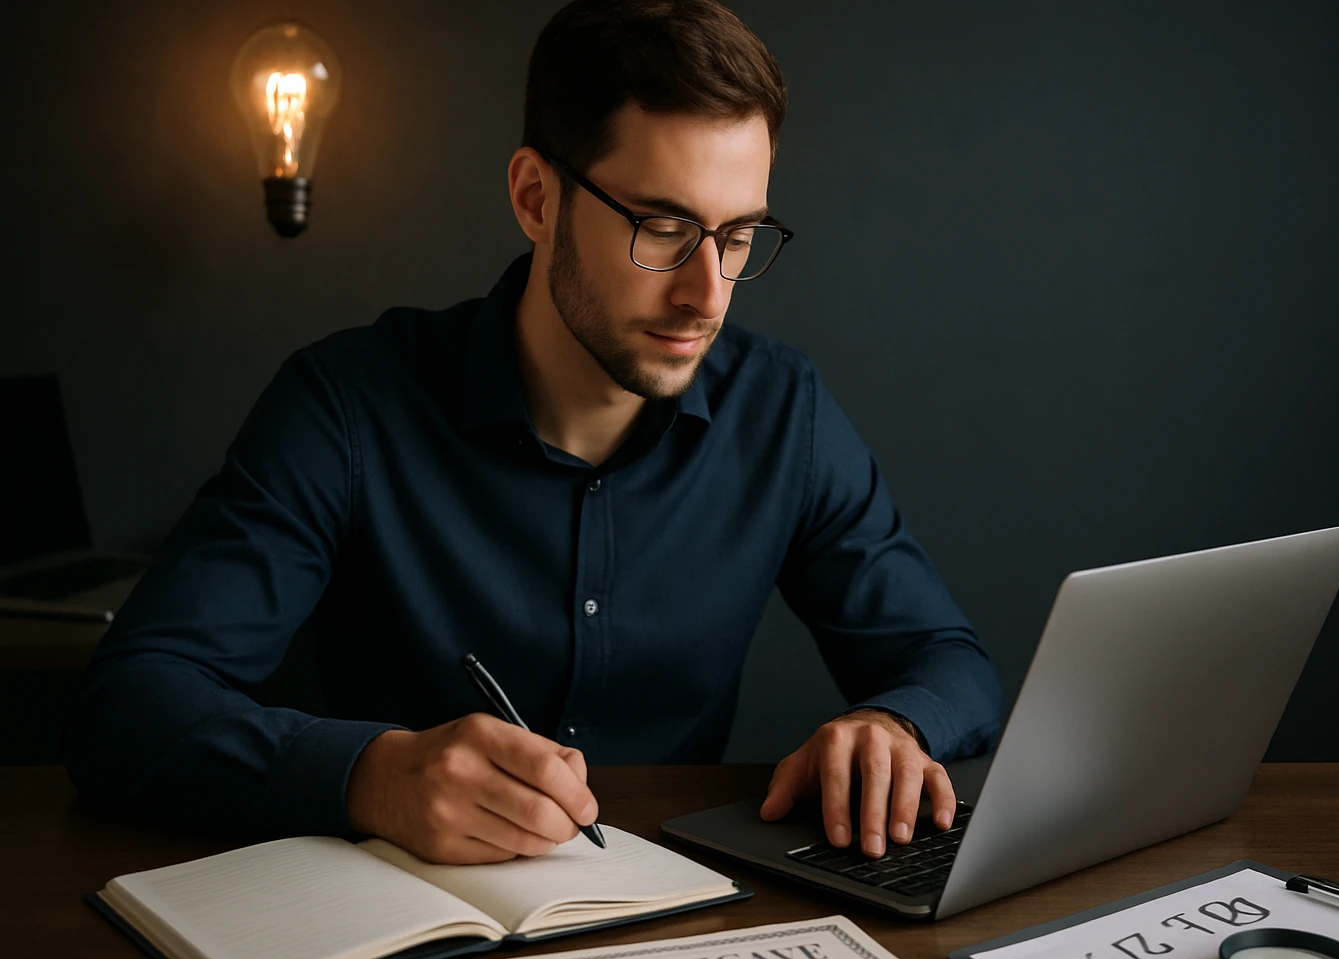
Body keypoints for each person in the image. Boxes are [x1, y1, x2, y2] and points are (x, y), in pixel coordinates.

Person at [63, 0, 1001, 867]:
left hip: (674, 932)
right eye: (664, 229)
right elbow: (131, 702)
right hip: (400, 929)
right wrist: (369, 773)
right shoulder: (345, 403)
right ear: (535, 198)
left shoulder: (781, 411)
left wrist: (896, 725)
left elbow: (949, 663)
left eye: (739, 236)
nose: (705, 293)